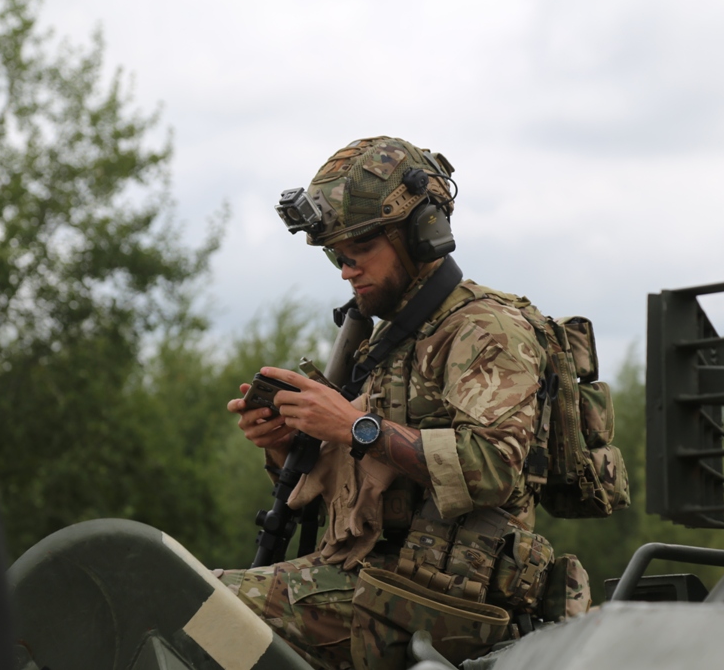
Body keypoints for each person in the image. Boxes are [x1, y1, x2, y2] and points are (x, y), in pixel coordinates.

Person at [222, 136, 583, 670]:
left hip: (441, 602)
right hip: (372, 581)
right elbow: (357, 496)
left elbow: (495, 467)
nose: (346, 269)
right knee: (180, 600)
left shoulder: (486, 328)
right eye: (337, 254)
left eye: (361, 248)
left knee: (190, 605)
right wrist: (284, 445)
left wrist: (356, 427)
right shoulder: (389, 343)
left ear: (421, 233)